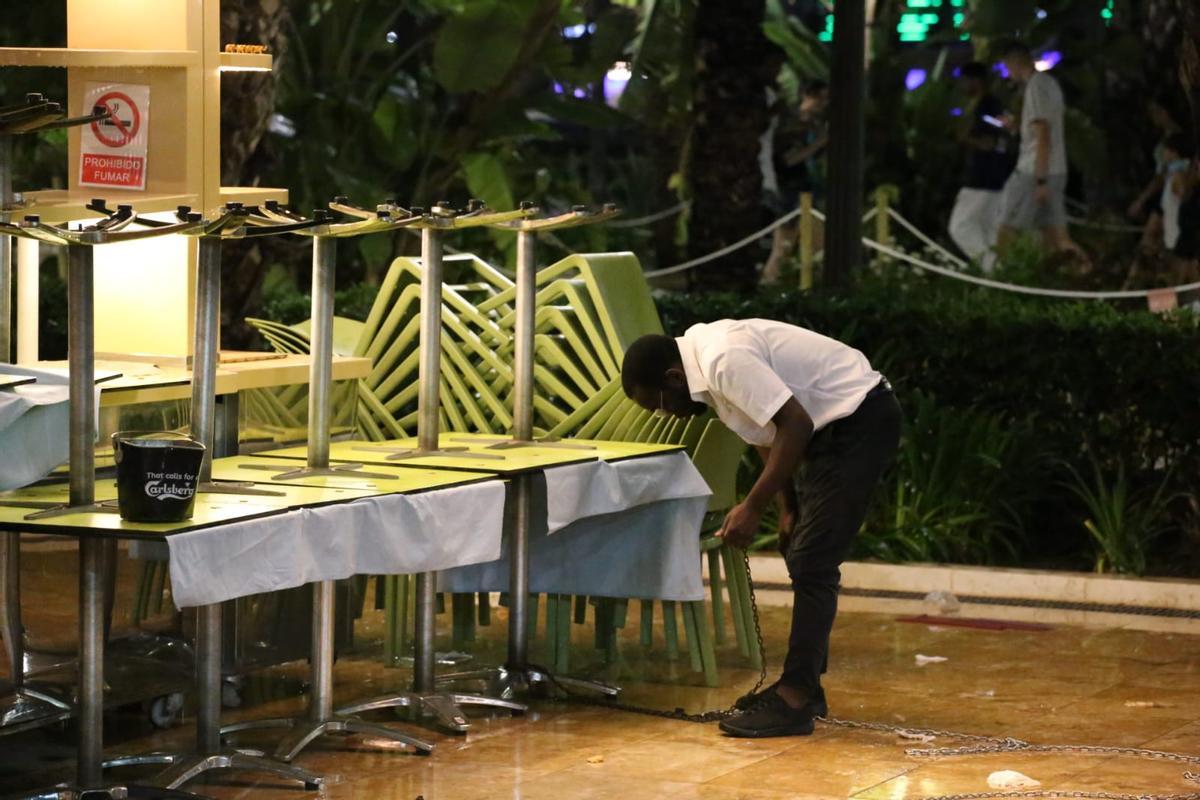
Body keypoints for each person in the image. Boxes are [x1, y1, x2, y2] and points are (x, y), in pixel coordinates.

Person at [621, 320, 900, 738]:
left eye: (660, 404)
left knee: (812, 561)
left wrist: (753, 506)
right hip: (833, 428)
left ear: (673, 378)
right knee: (803, 551)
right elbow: (764, 431)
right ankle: (805, 688)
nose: (667, 415)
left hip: (858, 419)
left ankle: (795, 699)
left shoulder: (721, 359)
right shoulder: (701, 361)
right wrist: (789, 506)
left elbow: (796, 424)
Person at [995, 42, 1088, 264]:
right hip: (1056, 170)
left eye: (1007, 67)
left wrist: (1040, 181)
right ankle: (1085, 276)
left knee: (1006, 232)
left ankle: (1002, 282)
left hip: (1033, 171)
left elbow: (1043, 134)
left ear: (1015, 62)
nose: (1008, 74)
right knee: (1056, 239)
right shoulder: (1050, 83)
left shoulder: (1035, 86)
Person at [948, 62, 1016, 272]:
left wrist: (967, 139)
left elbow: (992, 142)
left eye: (964, 80)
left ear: (975, 81)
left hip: (983, 178)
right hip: (996, 178)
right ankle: (999, 277)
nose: (961, 85)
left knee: (960, 227)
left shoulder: (987, 107)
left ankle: (992, 269)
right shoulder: (988, 105)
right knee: (988, 230)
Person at [762, 81, 830, 284]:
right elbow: (787, 159)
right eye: (822, 97)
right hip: (790, 192)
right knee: (783, 247)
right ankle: (769, 285)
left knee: (818, 247)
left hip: (808, 192)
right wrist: (820, 142)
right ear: (808, 94)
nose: (825, 103)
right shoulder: (790, 122)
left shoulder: (815, 124)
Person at [1127, 93, 1185, 252]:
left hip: (1172, 196)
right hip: (1168, 196)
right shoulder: (1167, 138)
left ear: (1164, 112)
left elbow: (1162, 176)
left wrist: (1141, 201)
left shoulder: (1177, 140)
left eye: (1154, 112)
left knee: (1149, 245)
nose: (1152, 117)